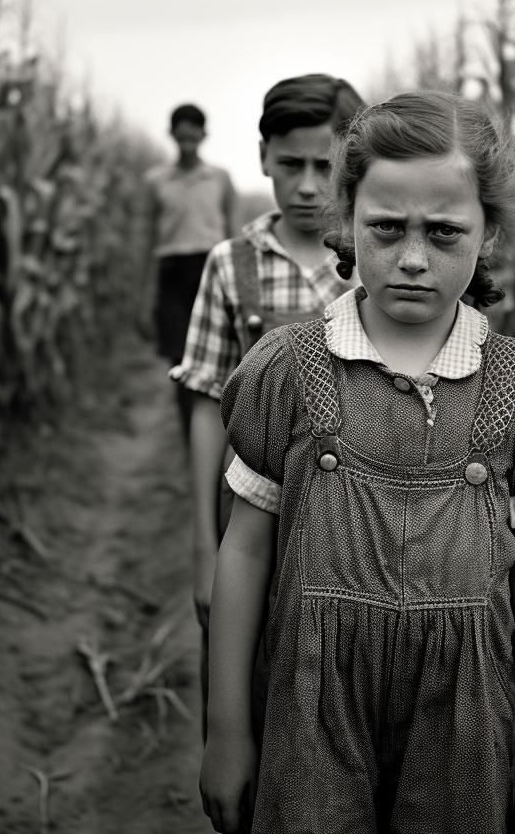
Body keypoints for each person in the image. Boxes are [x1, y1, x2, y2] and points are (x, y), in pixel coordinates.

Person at [200, 91, 515, 834]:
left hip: (463, 712)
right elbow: (244, 550)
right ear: (345, 218)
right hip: (312, 700)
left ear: (490, 232)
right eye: (385, 229)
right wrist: (228, 731)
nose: (412, 258)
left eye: (444, 233)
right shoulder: (287, 368)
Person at [170, 74, 364, 740]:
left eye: (325, 166)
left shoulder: (377, 262)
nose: (308, 185)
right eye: (290, 165)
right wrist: (204, 545)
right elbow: (204, 407)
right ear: (263, 159)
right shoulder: (230, 265)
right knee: (249, 683)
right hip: (254, 523)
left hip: (359, 529)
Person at [138, 103, 236, 439]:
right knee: (180, 366)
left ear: (204, 136)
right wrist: (143, 297)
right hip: (171, 275)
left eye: (193, 137)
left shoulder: (219, 179)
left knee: (218, 363)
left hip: (210, 273)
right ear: (172, 136)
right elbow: (147, 239)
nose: (187, 144)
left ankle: (221, 439)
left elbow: (233, 234)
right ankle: (190, 442)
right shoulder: (156, 181)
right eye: (181, 138)